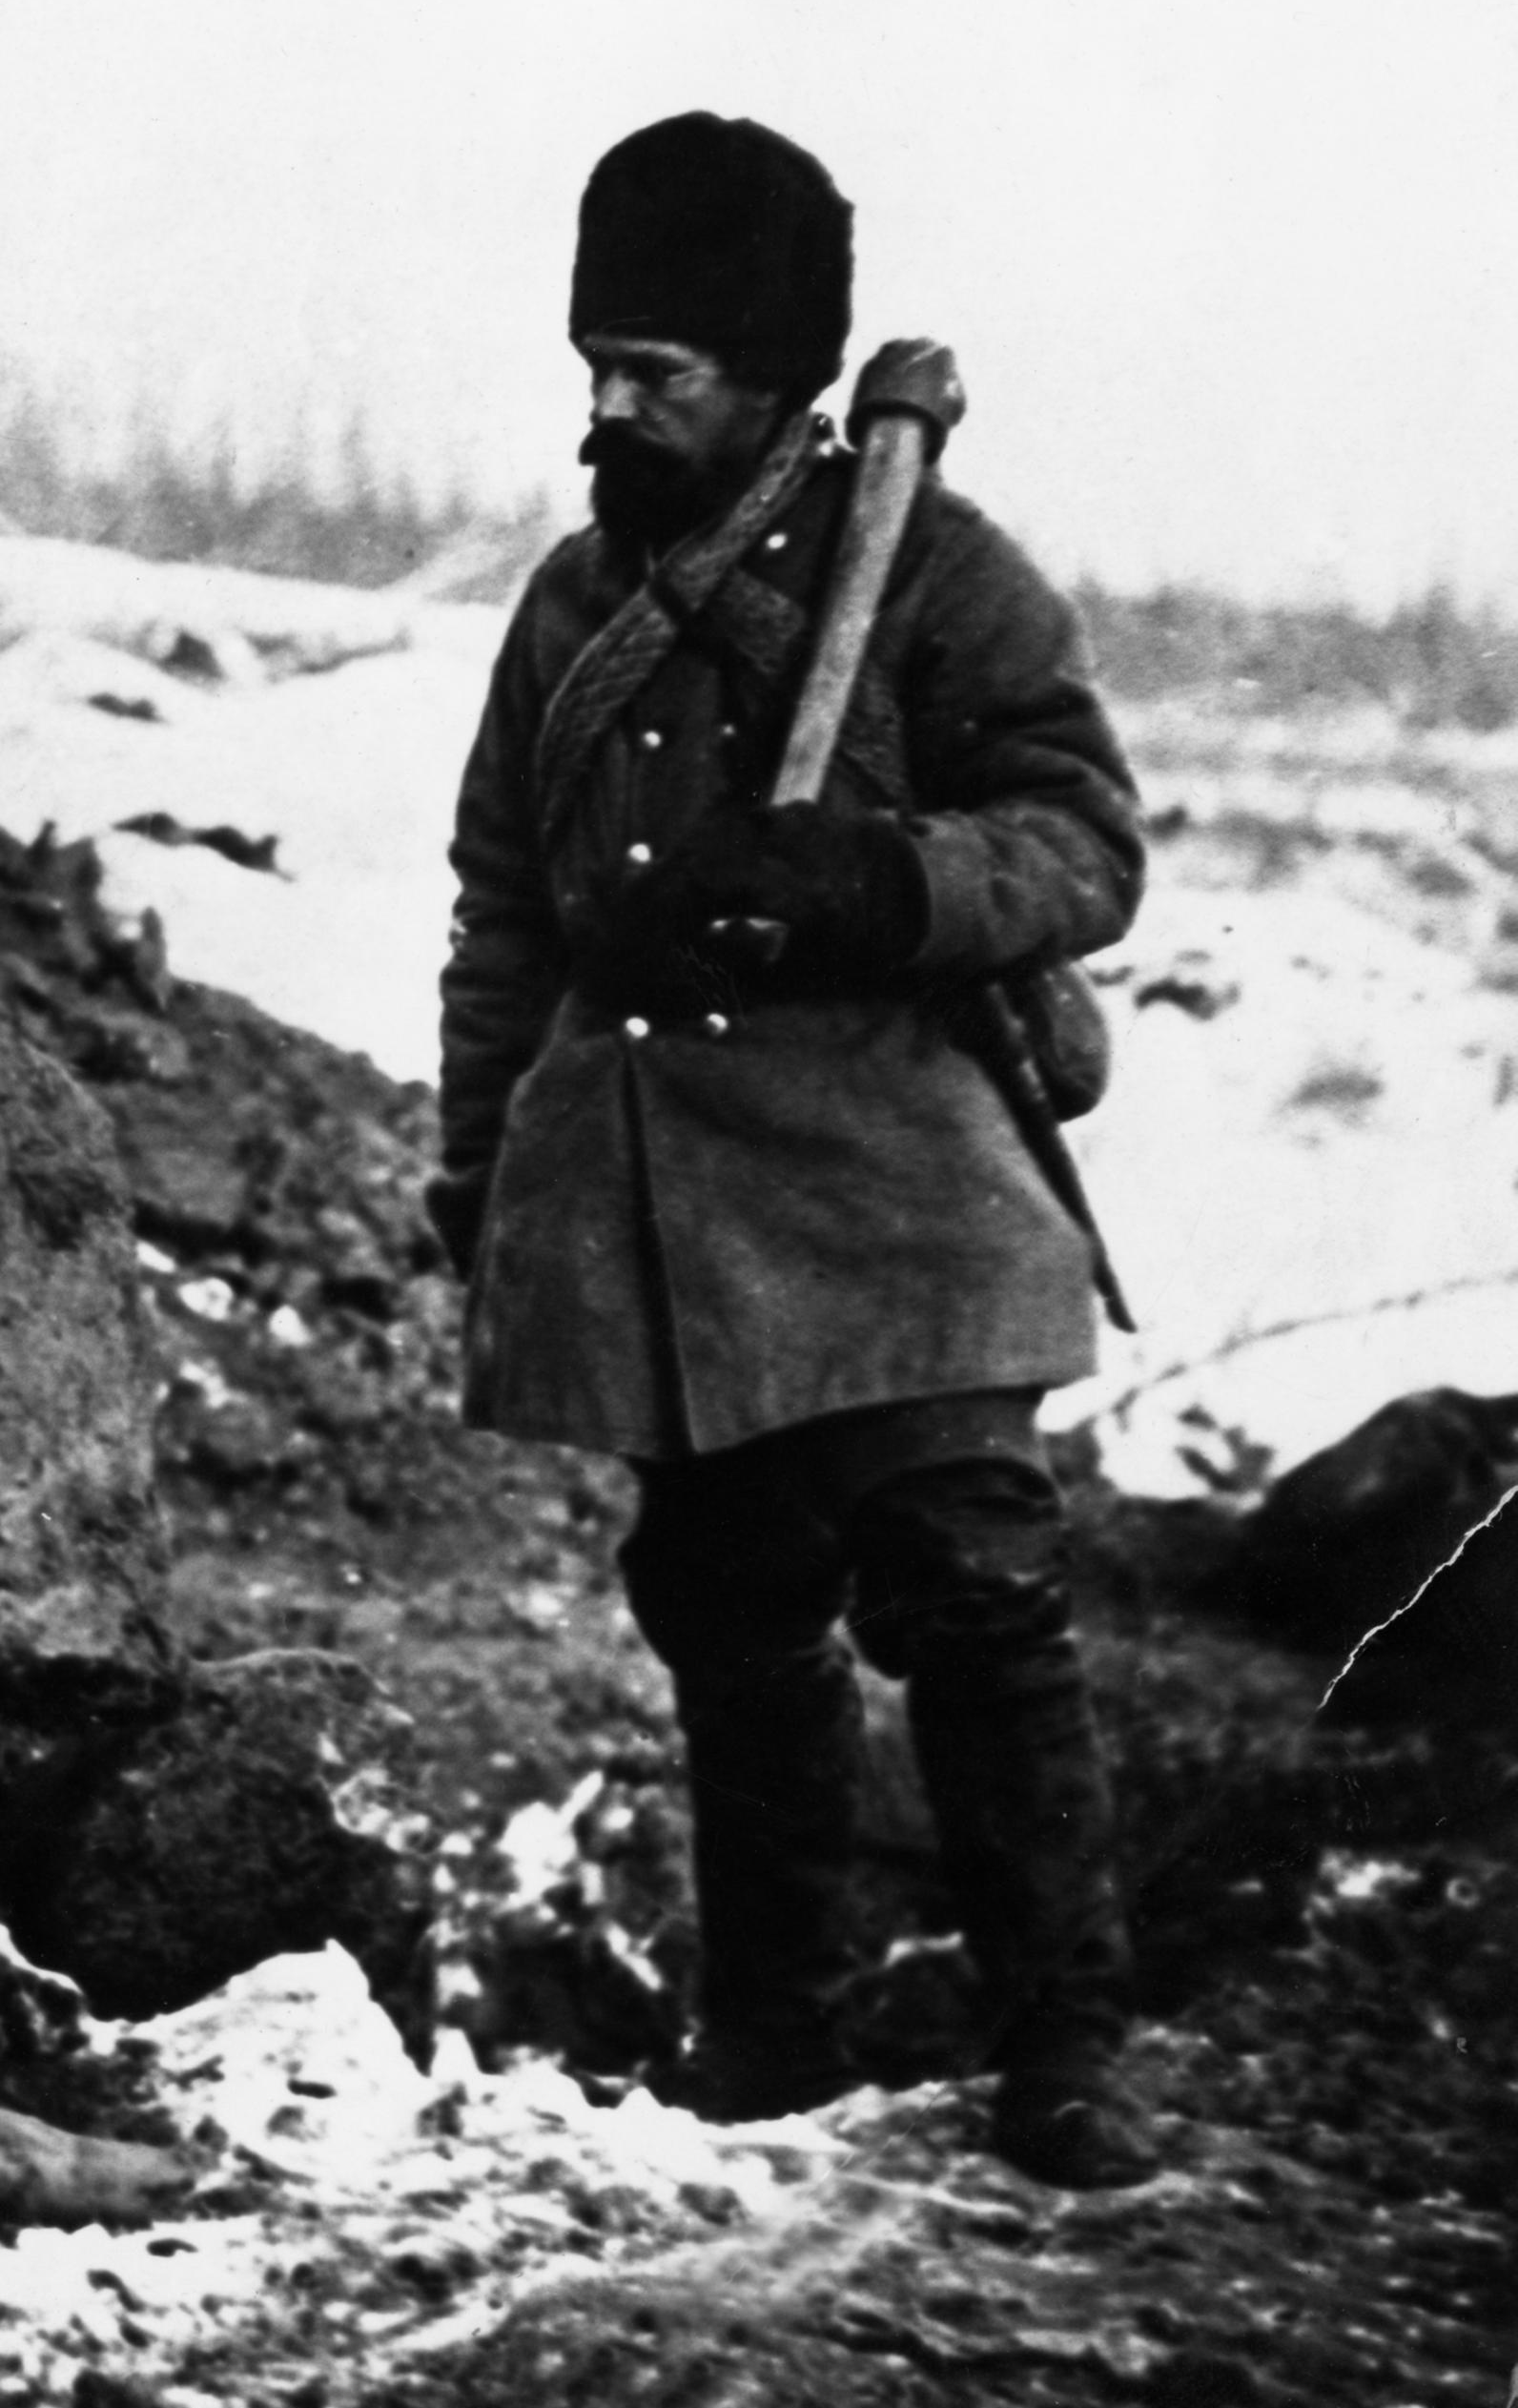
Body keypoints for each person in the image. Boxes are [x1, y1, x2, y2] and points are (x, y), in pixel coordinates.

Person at [427, 112, 1157, 2191]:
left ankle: (1069, 2062)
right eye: (598, 360)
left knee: (973, 1597)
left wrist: (867, 881)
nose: (609, 405)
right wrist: (482, 1174)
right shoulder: (576, 604)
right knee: (730, 1604)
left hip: (896, 1180)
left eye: (656, 370)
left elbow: (1085, 844)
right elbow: (505, 910)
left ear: (775, 377)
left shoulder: (928, 567)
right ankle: (774, 2048)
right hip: (665, 1191)